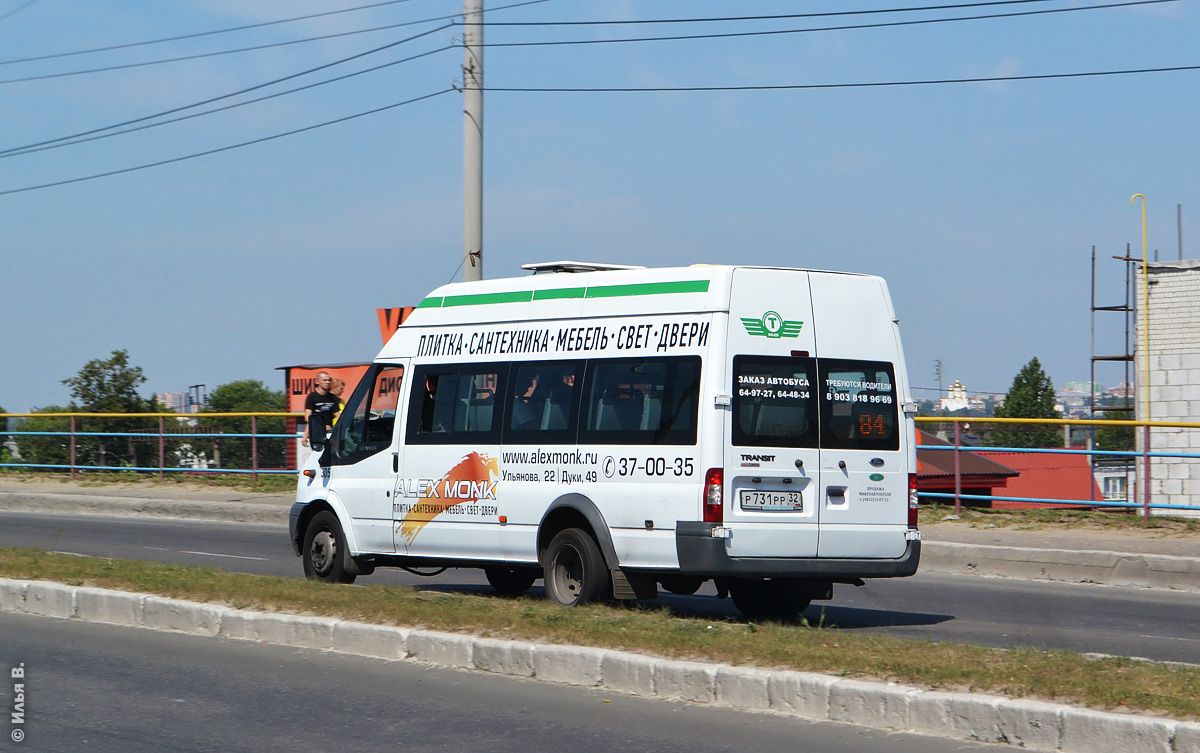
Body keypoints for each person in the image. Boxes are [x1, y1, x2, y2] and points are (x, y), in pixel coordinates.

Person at [302, 371, 338, 447]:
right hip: (317, 435)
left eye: (329, 380)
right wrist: (305, 436)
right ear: (318, 382)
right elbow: (308, 418)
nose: (327, 382)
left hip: (329, 433)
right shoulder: (312, 397)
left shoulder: (333, 398)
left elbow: (337, 415)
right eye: (324, 380)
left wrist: (335, 429)